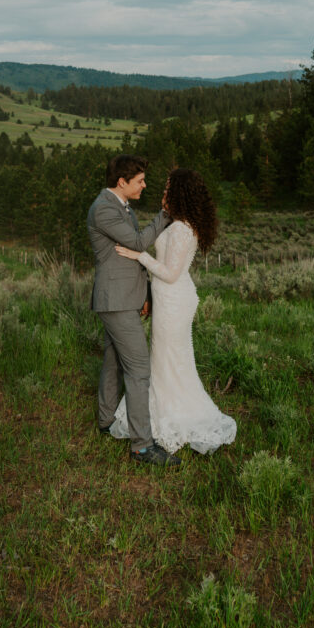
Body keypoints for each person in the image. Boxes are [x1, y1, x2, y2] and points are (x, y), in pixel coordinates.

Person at [113, 168, 236, 455]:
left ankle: (174, 417)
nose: (163, 191)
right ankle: (156, 414)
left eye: (169, 187)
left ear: (180, 192)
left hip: (174, 300)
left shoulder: (182, 229)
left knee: (169, 359)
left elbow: (169, 273)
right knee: (165, 359)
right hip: (167, 299)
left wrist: (139, 255)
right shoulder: (177, 223)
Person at [87, 154, 181, 466]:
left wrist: (144, 294)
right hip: (114, 301)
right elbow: (139, 243)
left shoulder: (120, 206)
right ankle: (142, 447)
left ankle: (105, 420)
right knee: (139, 370)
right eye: (139, 181)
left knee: (114, 360)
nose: (144, 185)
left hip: (124, 297)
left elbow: (128, 257)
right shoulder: (103, 209)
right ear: (121, 182)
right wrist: (165, 213)